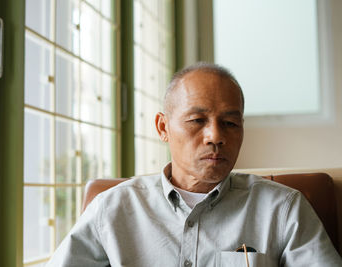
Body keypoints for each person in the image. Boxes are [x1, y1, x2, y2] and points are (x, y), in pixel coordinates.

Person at [46, 63, 342, 266]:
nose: (216, 136)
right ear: (163, 127)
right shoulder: (111, 209)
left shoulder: (283, 208)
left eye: (229, 123)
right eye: (197, 121)